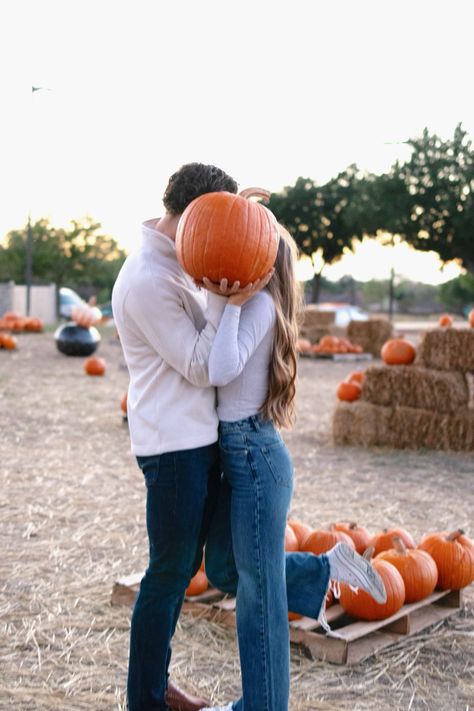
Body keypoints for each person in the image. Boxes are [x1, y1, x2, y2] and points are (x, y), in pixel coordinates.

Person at [197, 228, 387, 711]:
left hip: (253, 458)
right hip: (240, 456)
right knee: (223, 568)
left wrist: (233, 303)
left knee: (259, 599)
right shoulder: (251, 304)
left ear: (260, 261)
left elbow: (220, 370)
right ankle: (324, 566)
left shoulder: (258, 306)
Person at [112, 162, 245, 711]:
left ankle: (156, 687)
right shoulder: (148, 277)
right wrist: (228, 302)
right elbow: (199, 365)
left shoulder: (182, 258)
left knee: (197, 568)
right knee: (167, 575)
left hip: (196, 438)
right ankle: (146, 699)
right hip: (172, 447)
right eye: (221, 222)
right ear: (196, 216)